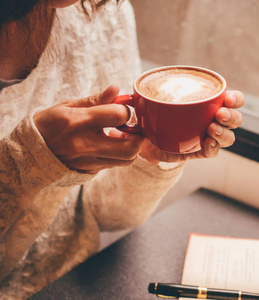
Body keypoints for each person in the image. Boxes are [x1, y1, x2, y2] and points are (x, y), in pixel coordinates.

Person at [0, 0, 244, 298]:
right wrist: (30, 160)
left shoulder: (101, 14)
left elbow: (105, 214)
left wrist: (150, 157)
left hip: (78, 279)